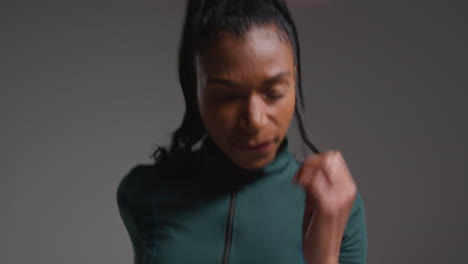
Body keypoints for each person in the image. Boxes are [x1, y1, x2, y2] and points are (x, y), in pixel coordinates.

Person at [116, 0, 367, 263]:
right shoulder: (145, 193)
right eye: (226, 96)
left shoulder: (334, 205)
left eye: (274, 93)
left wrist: (323, 256)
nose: (255, 121)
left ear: (294, 80)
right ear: (196, 87)